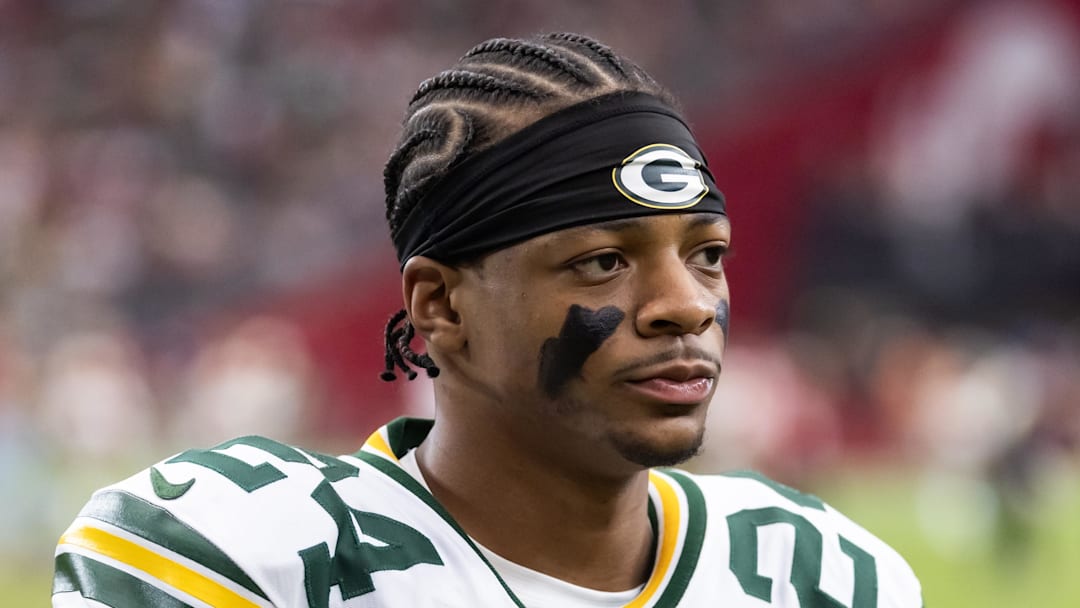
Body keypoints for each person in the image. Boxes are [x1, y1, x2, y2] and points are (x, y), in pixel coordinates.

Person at [52, 33, 922, 607]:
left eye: (707, 255)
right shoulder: (253, 555)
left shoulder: (818, 578)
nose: (688, 306)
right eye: (602, 261)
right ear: (441, 304)